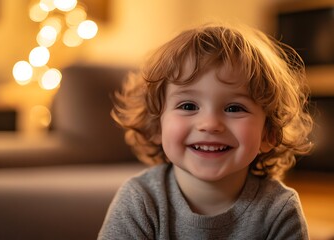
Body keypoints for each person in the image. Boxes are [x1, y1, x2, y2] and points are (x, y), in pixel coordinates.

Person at [98, 23, 313, 239]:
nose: (210, 124)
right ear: (156, 126)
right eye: (188, 106)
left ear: (268, 133)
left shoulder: (279, 210)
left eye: (234, 108)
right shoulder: (140, 200)